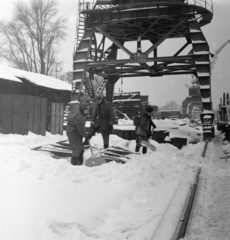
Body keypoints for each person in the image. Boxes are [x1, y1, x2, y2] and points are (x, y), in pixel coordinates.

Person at [66, 101, 89, 166]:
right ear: (82, 109)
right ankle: (74, 164)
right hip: (73, 132)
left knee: (81, 147)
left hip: (73, 130)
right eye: (86, 110)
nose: (87, 112)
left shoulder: (77, 107)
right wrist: (86, 135)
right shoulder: (79, 117)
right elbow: (81, 130)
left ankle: (80, 162)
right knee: (77, 148)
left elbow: (73, 106)